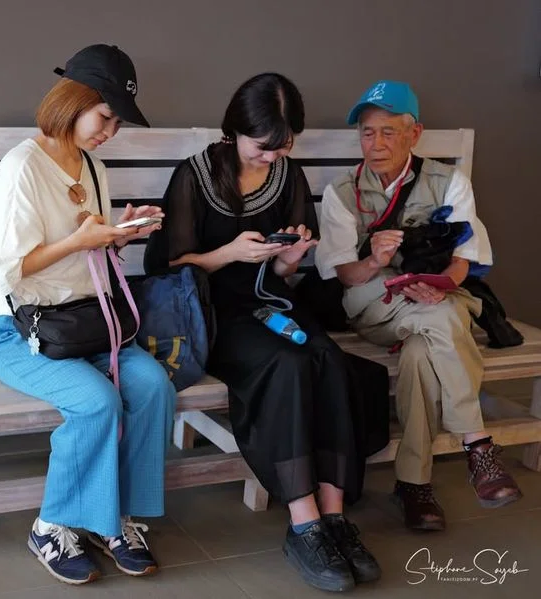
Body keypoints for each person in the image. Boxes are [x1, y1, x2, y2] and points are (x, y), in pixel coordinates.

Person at [145, 73, 381, 593]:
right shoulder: (195, 175)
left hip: (270, 301)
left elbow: (280, 275)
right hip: (210, 313)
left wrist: (290, 259)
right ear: (234, 131)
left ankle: (336, 518)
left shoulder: (287, 176)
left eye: (283, 146)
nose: (272, 157)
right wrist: (231, 252)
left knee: (327, 360)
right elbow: (169, 263)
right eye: (263, 147)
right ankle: (304, 524)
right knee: (288, 364)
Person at [0, 44, 176, 585]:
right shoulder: (20, 167)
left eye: (116, 121)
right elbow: (8, 274)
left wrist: (119, 232)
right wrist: (80, 240)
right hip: (18, 331)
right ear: (73, 100)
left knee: (154, 387)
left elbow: (91, 251)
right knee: (96, 401)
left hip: (87, 324)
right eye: (104, 116)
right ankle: (52, 524)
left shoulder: (92, 165)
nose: (109, 130)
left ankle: (111, 519)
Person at [315, 80, 522, 533]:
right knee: (443, 320)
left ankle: (414, 485)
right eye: (368, 133)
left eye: (389, 131)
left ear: (415, 133)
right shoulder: (342, 191)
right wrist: (375, 259)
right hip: (374, 306)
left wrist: (440, 285)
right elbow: (343, 275)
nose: (377, 143)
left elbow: (465, 260)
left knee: (422, 351)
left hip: (437, 299)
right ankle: (478, 444)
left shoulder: (448, 181)